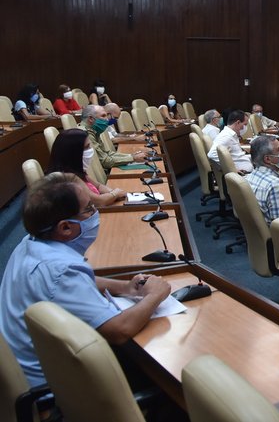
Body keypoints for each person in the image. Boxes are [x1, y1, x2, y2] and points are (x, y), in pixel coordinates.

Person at [0, 172, 170, 386]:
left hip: (28, 370)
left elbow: (75, 284)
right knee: (162, 373)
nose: (95, 213)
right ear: (65, 227)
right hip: (55, 391)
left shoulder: (29, 243)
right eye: (89, 208)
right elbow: (119, 330)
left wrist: (127, 288)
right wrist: (154, 295)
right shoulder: (61, 270)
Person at [46, 128, 127, 207]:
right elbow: (99, 202)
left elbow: (98, 186)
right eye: (87, 147)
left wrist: (112, 192)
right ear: (73, 152)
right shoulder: (67, 178)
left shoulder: (76, 170)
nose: (90, 150)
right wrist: (114, 194)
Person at [80, 104, 147, 169]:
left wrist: (131, 155)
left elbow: (107, 153)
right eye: (103, 116)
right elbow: (105, 161)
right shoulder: (85, 134)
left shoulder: (93, 130)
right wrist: (133, 158)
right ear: (91, 118)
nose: (107, 119)